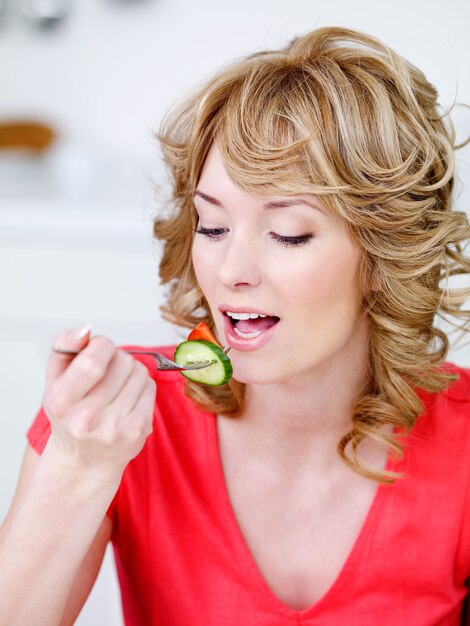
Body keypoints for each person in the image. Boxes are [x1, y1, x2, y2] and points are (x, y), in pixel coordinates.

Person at [1, 25, 470, 626]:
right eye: (213, 226)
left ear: (384, 258)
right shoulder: (112, 426)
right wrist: (72, 466)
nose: (230, 271)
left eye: (288, 234)